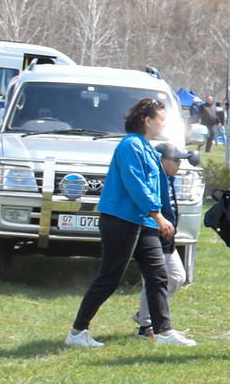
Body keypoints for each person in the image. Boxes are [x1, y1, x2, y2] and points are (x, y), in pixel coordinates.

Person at [68, 96, 192, 349]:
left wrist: (155, 216)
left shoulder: (146, 146)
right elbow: (135, 183)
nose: (163, 124)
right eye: (161, 119)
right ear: (147, 121)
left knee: (158, 275)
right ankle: (77, 332)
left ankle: (163, 331)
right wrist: (157, 215)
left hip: (143, 221)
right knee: (110, 277)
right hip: (121, 220)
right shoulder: (130, 146)